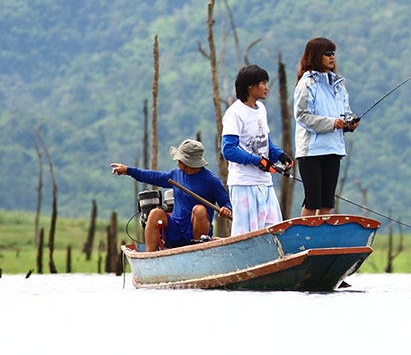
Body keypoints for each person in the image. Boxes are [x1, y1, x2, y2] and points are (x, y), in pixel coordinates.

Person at [110, 139, 232, 251]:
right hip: (176, 228)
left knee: (199, 209)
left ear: (188, 161)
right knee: (155, 213)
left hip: (197, 232)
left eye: (179, 159)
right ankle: (150, 258)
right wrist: (128, 170)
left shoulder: (212, 181)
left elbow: (226, 203)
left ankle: (198, 251)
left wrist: (227, 209)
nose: (177, 161)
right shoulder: (175, 174)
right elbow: (153, 177)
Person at [222, 64, 292, 234]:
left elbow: (265, 142)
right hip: (244, 183)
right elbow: (228, 150)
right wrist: (257, 161)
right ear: (250, 86)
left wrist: (280, 155)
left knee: (275, 230)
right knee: (247, 234)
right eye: (263, 83)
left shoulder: (261, 110)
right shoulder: (235, 113)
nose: (267, 88)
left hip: (265, 182)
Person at [293, 37, 359, 217]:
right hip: (311, 151)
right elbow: (302, 116)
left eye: (333, 53)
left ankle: (322, 241)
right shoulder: (306, 84)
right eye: (327, 53)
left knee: (327, 201)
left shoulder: (338, 85)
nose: (332, 57)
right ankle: (306, 238)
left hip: (334, 148)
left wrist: (349, 123)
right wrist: (331, 123)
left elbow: (345, 112)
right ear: (315, 56)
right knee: (312, 199)